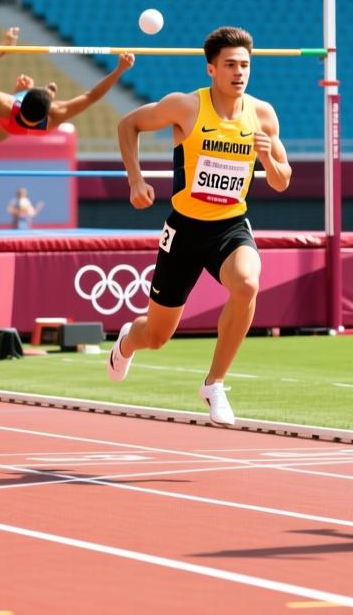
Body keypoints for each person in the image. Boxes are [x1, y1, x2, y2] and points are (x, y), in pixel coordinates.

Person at [108, 26, 292, 426]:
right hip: (184, 230)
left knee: (247, 284)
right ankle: (127, 341)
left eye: (245, 65)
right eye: (230, 65)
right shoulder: (186, 107)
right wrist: (135, 178)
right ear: (211, 69)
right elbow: (128, 125)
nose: (239, 72)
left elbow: (282, 181)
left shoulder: (262, 115)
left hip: (229, 228)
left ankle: (214, 384)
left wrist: (268, 159)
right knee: (156, 336)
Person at [0, 26, 135, 152]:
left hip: (9, 123)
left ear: (21, 99)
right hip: (26, 125)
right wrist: (119, 70)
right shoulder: (56, 115)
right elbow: (91, 96)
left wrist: (2, 50)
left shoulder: (6, 106)